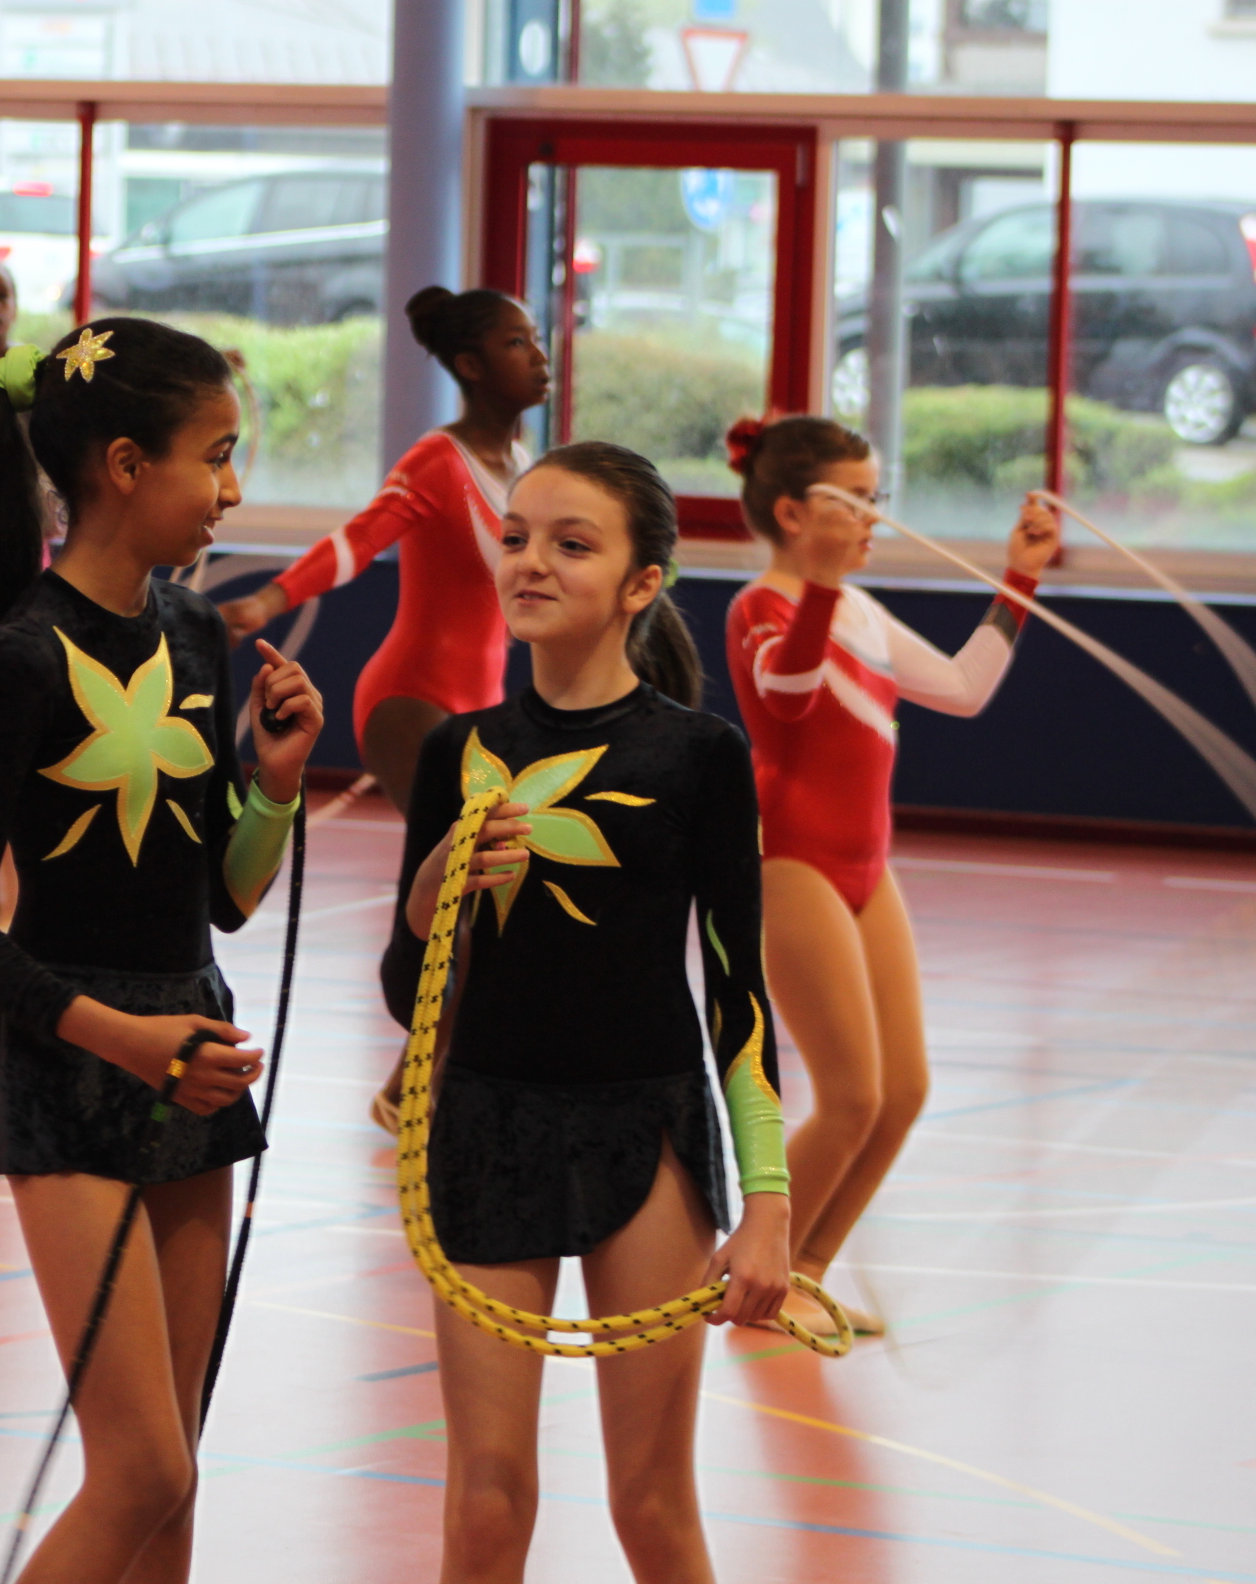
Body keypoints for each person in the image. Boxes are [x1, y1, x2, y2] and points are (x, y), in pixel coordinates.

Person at [0, 317, 321, 1584]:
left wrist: (276, 785)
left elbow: (223, 902)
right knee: (139, 1467)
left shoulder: (195, 633)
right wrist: (124, 1041)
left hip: (188, 1055)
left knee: (173, 1481)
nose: (233, 490)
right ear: (128, 467)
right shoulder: (25, 656)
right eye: (218, 456)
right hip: (66, 1066)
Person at [382, 442, 790, 1584]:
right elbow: (409, 997)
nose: (531, 562)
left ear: (640, 582)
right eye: (515, 537)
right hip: (484, 1126)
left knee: (652, 1502)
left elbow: (739, 995)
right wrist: (425, 901)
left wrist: (767, 1202)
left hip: (645, 1132)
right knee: (485, 1502)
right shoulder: (459, 751)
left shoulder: (700, 756)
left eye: (572, 544)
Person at [723, 414, 1058, 1338]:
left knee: (902, 1093)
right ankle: (758, 1278)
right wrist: (824, 584)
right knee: (852, 1097)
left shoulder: (859, 611)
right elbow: (788, 700)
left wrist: (1019, 576)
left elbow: (963, 688)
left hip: (869, 868)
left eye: (879, 499)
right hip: (792, 864)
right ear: (794, 513)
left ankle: (806, 1274)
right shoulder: (762, 608)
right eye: (857, 501)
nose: (875, 517)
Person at [218, 285, 548, 812]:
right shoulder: (439, 461)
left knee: (477, 860)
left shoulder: (525, 467)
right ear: (471, 365)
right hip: (412, 698)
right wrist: (265, 603)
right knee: (446, 853)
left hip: (486, 698)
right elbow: (361, 539)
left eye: (536, 339)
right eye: (517, 343)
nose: (539, 356)